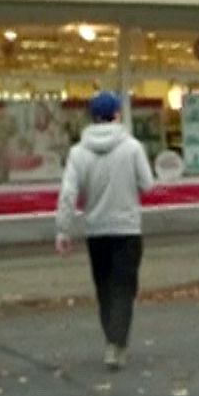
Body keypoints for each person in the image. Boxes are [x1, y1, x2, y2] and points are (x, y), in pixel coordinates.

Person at [55, 90, 156, 370]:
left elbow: (68, 194)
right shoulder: (132, 148)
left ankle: (112, 339)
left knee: (105, 288)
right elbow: (147, 185)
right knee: (124, 288)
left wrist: (63, 230)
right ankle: (117, 342)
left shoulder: (78, 153)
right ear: (117, 115)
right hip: (127, 228)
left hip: (96, 231)